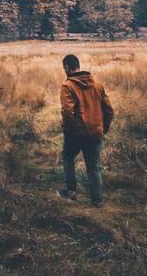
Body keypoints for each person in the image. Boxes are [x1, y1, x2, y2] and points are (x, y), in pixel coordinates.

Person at [58, 53, 113, 204]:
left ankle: (71, 191)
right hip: (95, 132)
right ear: (78, 66)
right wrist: (102, 129)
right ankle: (97, 200)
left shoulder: (67, 86)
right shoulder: (97, 85)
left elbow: (67, 112)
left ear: (67, 68)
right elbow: (109, 110)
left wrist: (70, 130)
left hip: (76, 134)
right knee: (94, 167)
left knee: (68, 157)